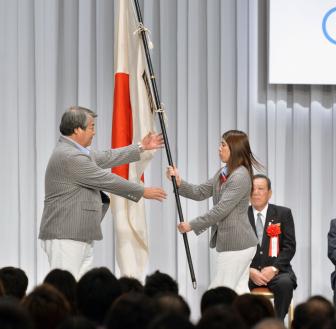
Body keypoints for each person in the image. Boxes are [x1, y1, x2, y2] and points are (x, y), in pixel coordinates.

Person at [39, 106, 167, 279]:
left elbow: (106, 157)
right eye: (91, 127)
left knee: (79, 292)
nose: (94, 132)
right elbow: (106, 180)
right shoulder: (70, 156)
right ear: (77, 129)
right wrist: (142, 191)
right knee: (65, 290)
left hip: (77, 234)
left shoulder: (75, 152)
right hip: (66, 235)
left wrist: (140, 147)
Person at [166, 130, 260, 293]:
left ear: (234, 148)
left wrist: (191, 225)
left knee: (219, 292)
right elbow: (200, 191)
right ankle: (248, 318)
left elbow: (220, 210)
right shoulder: (224, 172)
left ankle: (216, 318)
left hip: (237, 244)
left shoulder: (239, 176)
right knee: (238, 291)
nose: (219, 148)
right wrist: (179, 183)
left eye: (223, 145)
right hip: (236, 243)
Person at [247, 174, 296, 319]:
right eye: (252, 189)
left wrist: (274, 268)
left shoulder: (283, 213)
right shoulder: (241, 215)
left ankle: (276, 323)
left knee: (285, 283)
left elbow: (289, 246)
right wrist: (249, 270)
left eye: (260, 189)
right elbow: (234, 248)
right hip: (248, 273)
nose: (255, 192)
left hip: (277, 272)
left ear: (269, 193)